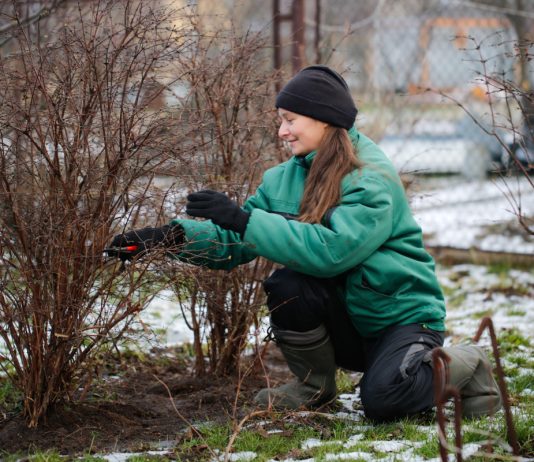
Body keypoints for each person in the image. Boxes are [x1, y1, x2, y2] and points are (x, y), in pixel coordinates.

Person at [108, 65, 501, 421]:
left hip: (400, 321)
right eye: (282, 121)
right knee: (287, 286)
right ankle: (315, 389)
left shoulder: (370, 178)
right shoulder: (282, 179)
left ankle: (469, 361)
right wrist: (168, 238)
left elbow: (333, 251)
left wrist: (243, 219)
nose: (282, 131)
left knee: (383, 401)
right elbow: (236, 240)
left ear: (324, 121)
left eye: (290, 120)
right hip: (347, 319)